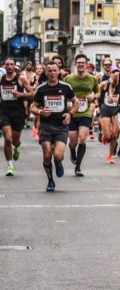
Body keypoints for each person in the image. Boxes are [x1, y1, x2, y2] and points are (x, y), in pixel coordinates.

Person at [30, 62, 78, 192]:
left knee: (57, 155)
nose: (52, 73)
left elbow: (76, 102)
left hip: (61, 126)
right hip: (46, 126)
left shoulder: (65, 87)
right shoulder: (41, 89)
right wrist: (40, 112)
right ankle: (50, 180)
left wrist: (70, 114)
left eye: (54, 70)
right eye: (49, 71)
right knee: (46, 155)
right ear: (46, 72)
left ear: (59, 72)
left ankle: (58, 162)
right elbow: (32, 107)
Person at [66, 54, 100, 177]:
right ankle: (71, 149)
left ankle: (78, 167)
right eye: (78, 62)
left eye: (83, 63)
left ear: (86, 64)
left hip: (85, 112)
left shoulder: (92, 79)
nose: (81, 64)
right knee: (73, 141)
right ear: (76, 64)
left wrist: (94, 96)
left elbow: (98, 92)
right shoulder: (69, 78)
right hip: (72, 112)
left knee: (82, 138)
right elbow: (63, 92)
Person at [1, 58, 32, 176]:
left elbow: (32, 93)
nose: (9, 66)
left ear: (15, 66)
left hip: (18, 112)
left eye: (11, 64)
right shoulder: (1, 79)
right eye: (7, 64)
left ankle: (17, 146)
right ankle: (10, 166)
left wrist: (21, 94)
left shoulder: (21, 78)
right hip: (4, 112)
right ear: (4, 66)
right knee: (7, 139)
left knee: (15, 141)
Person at [97, 58, 120, 164]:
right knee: (107, 136)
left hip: (117, 109)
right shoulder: (104, 82)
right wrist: (97, 104)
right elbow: (96, 91)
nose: (115, 75)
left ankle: (110, 155)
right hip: (105, 108)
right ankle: (103, 134)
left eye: (117, 73)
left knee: (115, 134)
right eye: (113, 73)